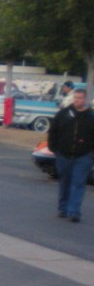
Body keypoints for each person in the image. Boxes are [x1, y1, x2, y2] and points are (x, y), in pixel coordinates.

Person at [47, 87, 94, 223]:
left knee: (78, 183)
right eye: (75, 98)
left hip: (83, 156)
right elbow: (53, 131)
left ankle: (74, 212)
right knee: (65, 182)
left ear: (85, 99)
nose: (77, 100)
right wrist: (54, 147)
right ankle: (63, 209)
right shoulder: (63, 114)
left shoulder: (91, 117)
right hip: (63, 154)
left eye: (80, 98)